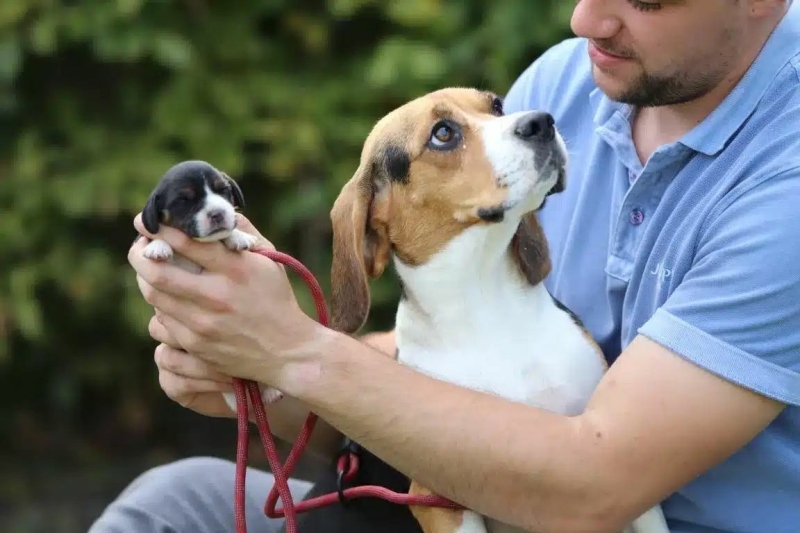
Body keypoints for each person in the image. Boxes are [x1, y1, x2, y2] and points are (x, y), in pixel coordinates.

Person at [91, 1, 800, 532]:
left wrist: (295, 351)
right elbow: (443, 360)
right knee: (169, 503)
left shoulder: (785, 178)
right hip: (473, 495)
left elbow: (596, 479)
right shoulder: (576, 80)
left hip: (604, 505)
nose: (587, 18)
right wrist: (254, 375)